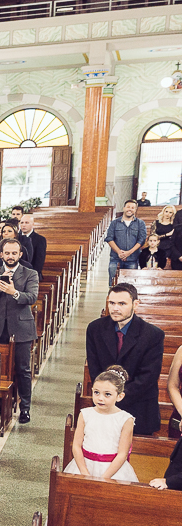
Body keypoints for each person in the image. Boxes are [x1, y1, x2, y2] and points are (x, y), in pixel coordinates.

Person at [85, 283, 166, 435]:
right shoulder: (95, 329)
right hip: (105, 405)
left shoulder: (153, 334)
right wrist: (107, 397)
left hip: (139, 408)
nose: (115, 308)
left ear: (135, 304)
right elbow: (94, 368)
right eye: (112, 303)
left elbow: (148, 376)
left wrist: (116, 397)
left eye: (122, 303)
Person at [0, 239, 40, 424]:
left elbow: (32, 297)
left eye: (14, 253)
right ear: (1, 254)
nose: (10, 256)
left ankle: (25, 408)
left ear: (20, 254)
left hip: (22, 328)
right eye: (7, 253)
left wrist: (14, 292)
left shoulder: (30, 273)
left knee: (23, 369)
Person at [64, 366, 138, 482]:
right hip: (84, 467)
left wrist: (104, 478)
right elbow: (77, 446)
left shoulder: (125, 419)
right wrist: (84, 473)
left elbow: (122, 454)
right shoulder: (85, 414)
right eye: (96, 392)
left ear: (119, 396)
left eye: (107, 394)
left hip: (112, 471)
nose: (100, 398)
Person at [106, 200, 147, 284]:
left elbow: (141, 240)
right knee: (113, 283)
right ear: (124, 208)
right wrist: (119, 252)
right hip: (115, 258)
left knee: (130, 284)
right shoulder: (114, 223)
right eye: (128, 207)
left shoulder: (140, 223)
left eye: (133, 208)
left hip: (132, 259)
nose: (130, 209)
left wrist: (129, 252)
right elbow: (109, 239)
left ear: (135, 210)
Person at [16, 211, 47, 279]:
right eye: (22, 223)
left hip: (31, 274)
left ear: (32, 224)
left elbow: (39, 260)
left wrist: (31, 275)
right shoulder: (16, 238)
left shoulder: (40, 239)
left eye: (26, 223)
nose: (23, 225)